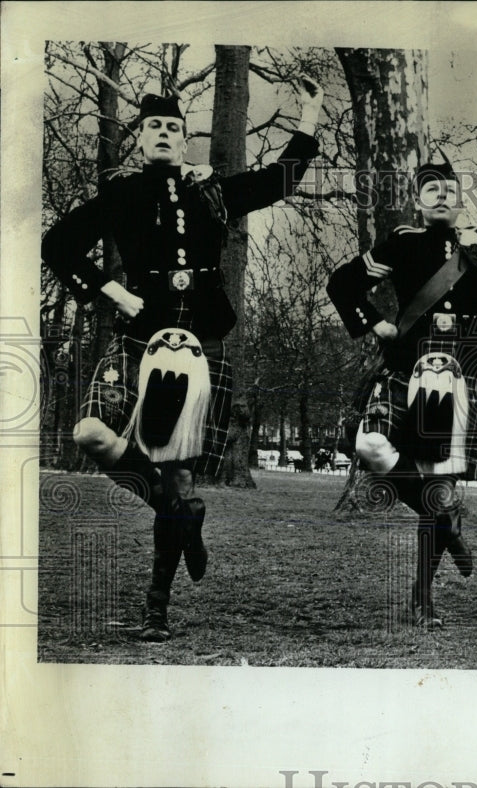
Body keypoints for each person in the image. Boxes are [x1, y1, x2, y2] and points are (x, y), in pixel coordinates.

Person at [42, 76, 324, 641]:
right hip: (138, 335)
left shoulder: (212, 192)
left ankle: (157, 607)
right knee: (91, 433)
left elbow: (282, 178)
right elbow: (57, 245)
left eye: (174, 127)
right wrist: (109, 290)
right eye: (155, 128)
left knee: (178, 474)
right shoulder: (119, 194)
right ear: (140, 139)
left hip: (202, 341)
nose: (165, 134)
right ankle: (181, 514)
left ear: (185, 138)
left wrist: (309, 117)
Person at [327, 124, 477, 627]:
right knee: (369, 446)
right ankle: (447, 522)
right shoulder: (400, 243)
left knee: (441, 484)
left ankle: (423, 599)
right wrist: (377, 324)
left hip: (462, 374)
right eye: (433, 189)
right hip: (405, 366)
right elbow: (340, 284)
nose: (442, 196)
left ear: (459, 203)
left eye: (450, 191)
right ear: (418, 198)